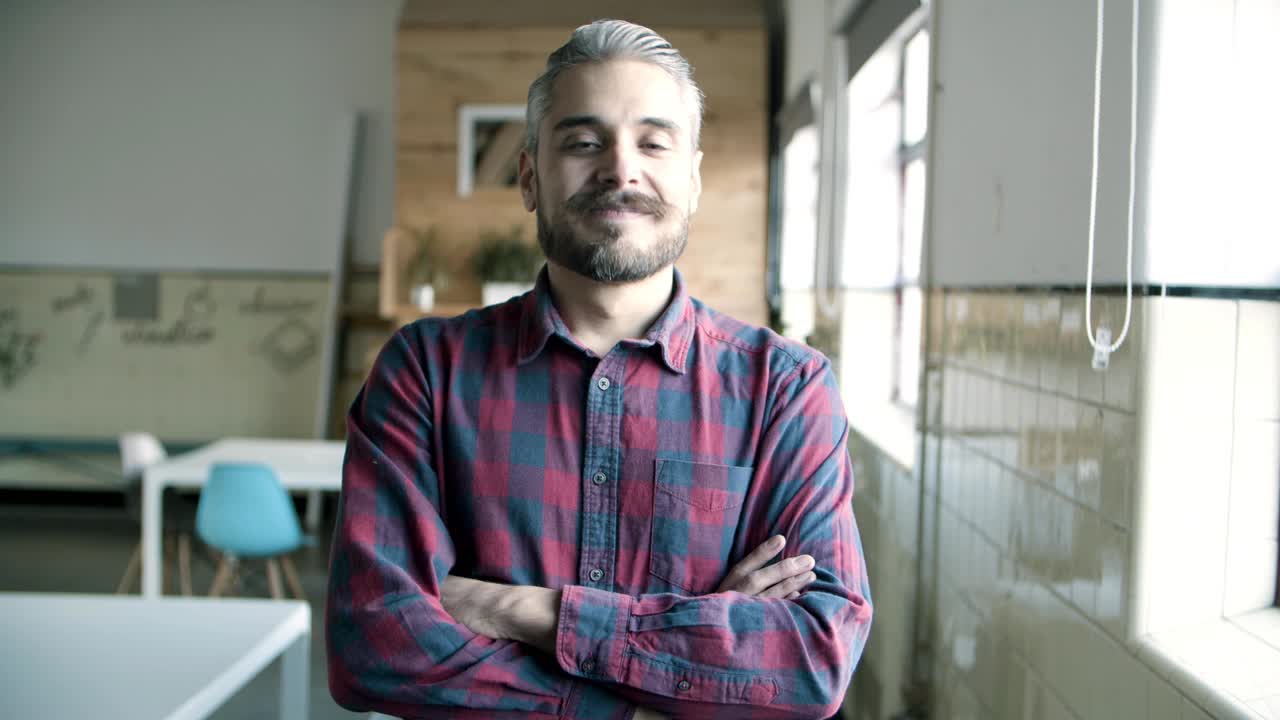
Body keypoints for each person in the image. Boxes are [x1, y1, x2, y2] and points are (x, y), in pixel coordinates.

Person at [326, 19, 872, 720]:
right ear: (529, 177)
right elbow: (371, 642)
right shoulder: (426, 372)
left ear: (695, 180)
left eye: (653, 142)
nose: (621, 169)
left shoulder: (786, 391)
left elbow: (812, 662)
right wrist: (679, 662)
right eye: (584, 143)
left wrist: (522, 610)